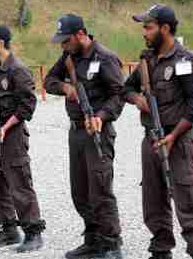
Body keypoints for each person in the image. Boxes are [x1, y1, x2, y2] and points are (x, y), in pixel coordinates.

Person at [123, 4, 193, 259]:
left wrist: (172, 137)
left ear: (165, 28)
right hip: (151, 139)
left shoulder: (187, 61)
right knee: (153, 198)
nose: (144, 33)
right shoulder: (147, 61)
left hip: (179, 140)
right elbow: (125, 88)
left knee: (187, 199)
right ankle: (161, 250)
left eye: (148, 27)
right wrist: (137, 100)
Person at [44, 14, 124, 259]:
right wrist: (66, 88)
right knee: (79, 191)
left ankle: (112, 245)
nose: (62, 45)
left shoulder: (105, 58)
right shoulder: (69, 56)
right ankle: (93, 239)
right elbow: (49, 81)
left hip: (98, 131)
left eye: (65, 40)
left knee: (100, 190)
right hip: (76, 131)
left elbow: (118, 95)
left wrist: (101, 115)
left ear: (80, 34)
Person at [0, 25, 46, 253]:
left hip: (12, 133)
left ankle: (33, 232)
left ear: (0, 43)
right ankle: (8, 229)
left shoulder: (18, 70)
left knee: (20, 184)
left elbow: (28, 105)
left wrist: (6, 127)